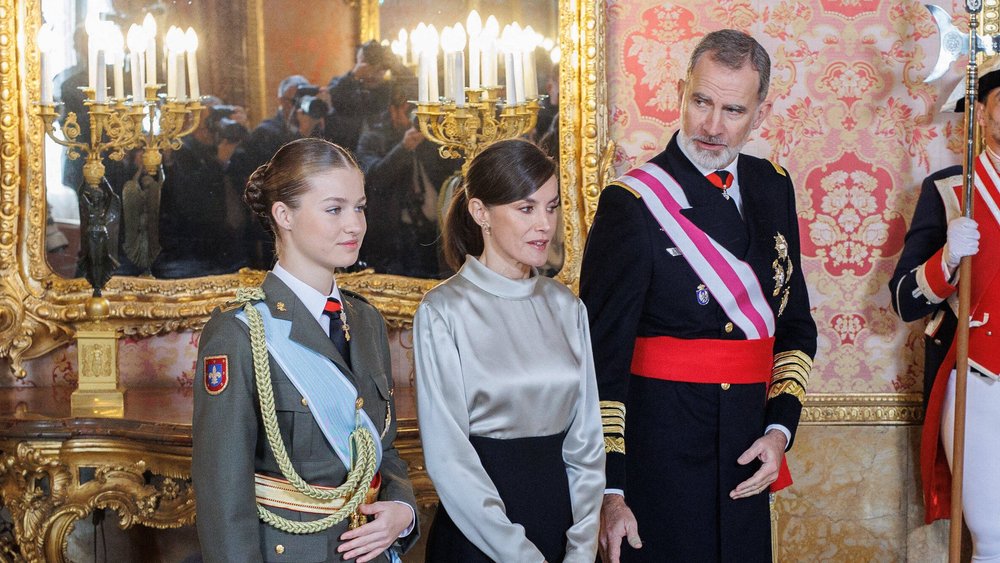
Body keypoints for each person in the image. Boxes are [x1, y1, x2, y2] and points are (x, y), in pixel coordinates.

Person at [579, 29, 817, 562]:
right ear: (682, 91)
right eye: (701, 102)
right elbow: (599, 361)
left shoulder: (772, 185)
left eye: (733, 110)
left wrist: (780, 430)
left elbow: (795, 325)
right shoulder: (633, 202)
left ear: (761, 111)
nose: (712, 126)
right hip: (657, 461)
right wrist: (609, 491)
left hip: (746, 452)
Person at [193, 138, 418, 562]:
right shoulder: (240, 332)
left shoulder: (365, 321)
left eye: (360, 207)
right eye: (335, 209)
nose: (355, 225)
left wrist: (402, 511)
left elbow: (381, 449)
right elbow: (224, 494)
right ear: (284, 215)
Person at [413, 139, 605, 562]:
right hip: (479, 540)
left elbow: (587, 444)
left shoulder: (567, 307)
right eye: (526, 208)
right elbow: (449, 459)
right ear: (480, 212)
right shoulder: (443, 311)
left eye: (551, 207)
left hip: (564, 534)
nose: (544, 224)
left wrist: (581, 547)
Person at [889, 61, 1000, 561]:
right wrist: (948, 258)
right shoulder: (951, 190)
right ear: (980, 112)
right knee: (993, 535)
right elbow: (904, 300)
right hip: (981, 381)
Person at [355, 83, 461, 278]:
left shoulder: (434, 139)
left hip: (435, 233)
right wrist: (403, 148)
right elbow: (373, 179)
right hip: (395, 237)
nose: (415, 119)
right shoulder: (373, 139)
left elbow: (455, 174)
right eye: (408, 111)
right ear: (392, 110)